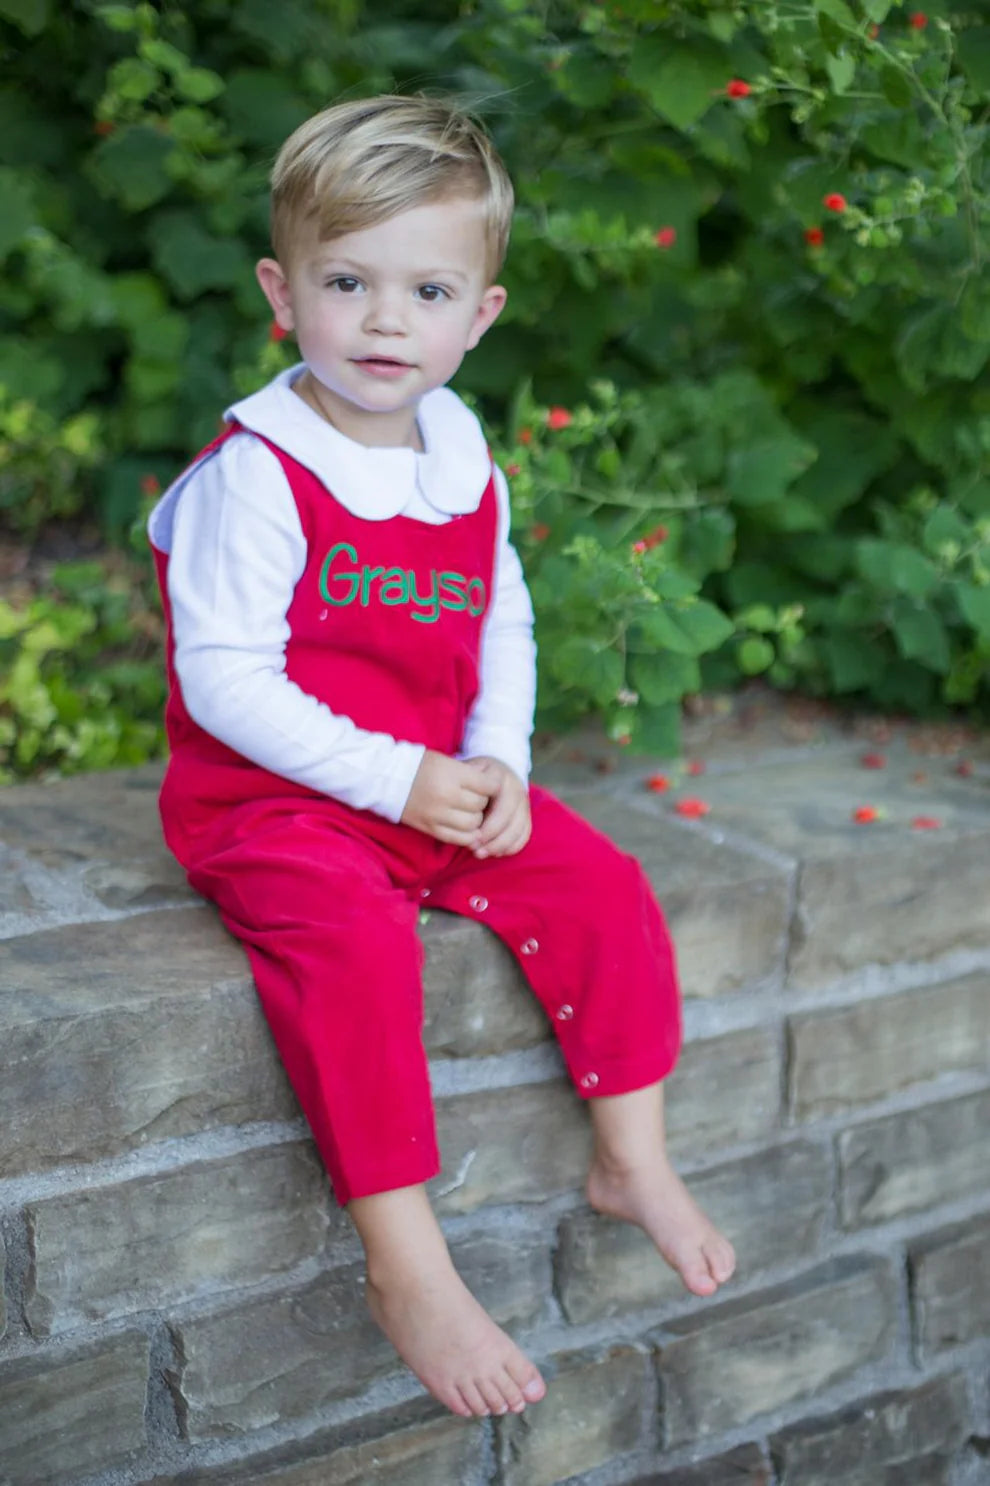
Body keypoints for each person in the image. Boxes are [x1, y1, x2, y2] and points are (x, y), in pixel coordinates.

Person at [147, 93, 735, 1422]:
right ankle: (403, 1260)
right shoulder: (261, 469)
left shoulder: (460, 450)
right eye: (346, 282)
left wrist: (493, 759)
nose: (385, 320)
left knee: (598, 886)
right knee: (353, 948)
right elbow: (224, 681)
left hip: (425, 778)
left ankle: (629, 1155)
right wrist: (400, 778)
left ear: (481, 313)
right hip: (273, 808)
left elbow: (500, 609)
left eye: (426, 288)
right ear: (281, 293)